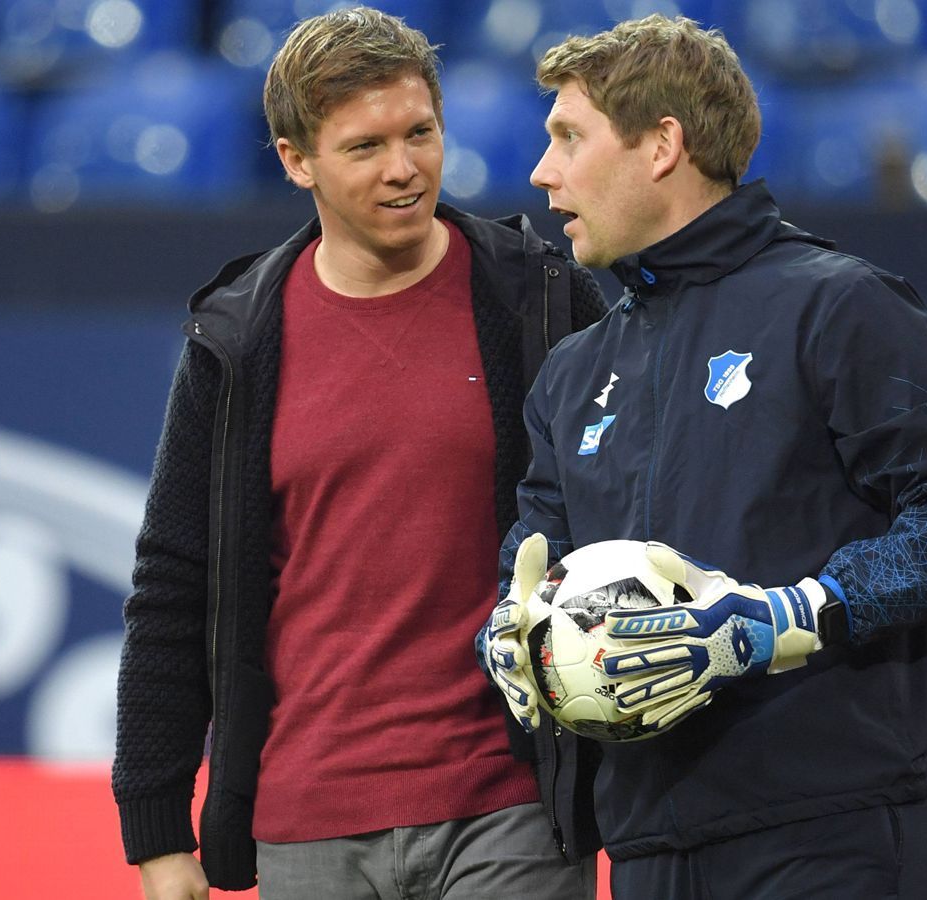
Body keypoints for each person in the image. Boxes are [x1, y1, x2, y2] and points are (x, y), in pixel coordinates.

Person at [480, 15, 927, 900]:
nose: (543, 174)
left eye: (569, 138)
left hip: (828, 837)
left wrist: (782, 620)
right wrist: (510, 628)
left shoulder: (841, 306)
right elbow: (534, 554)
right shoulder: (575, 373)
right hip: (645, 847)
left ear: (662, 146)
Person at [112, 8, 605, 899]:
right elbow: (174, 581)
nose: (403, 169)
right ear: (296, 160)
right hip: (309, 820)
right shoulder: (235, 338)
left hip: (510, 807)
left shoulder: (540, 299)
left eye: (421, 133)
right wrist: (155, 827)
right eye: (364, 146)